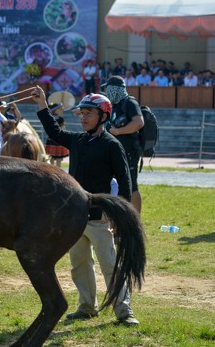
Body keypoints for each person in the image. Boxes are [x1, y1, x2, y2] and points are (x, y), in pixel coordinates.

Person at [31, 87, 139, 326]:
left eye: (88, 113)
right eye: (81, 113)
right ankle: (87, 307)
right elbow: (53, 131)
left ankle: (124, 311)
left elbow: (125, 181)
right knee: (79, 264)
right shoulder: (78, 140)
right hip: (74, 218)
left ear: (103, 115)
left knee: (110, 266)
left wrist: (120, 218)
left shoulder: (112, 145)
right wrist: (42, 105)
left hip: (100, 218)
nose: (82, 117)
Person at [102, 75, 144, 214]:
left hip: (130, 150)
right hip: (117, 150)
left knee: (132, 185)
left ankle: (135, 219)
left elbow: (139, 122)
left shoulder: (130, 103)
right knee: (117, 184)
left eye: (108, 89)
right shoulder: (116, 105)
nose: (106, 92)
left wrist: (118, 131)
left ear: (115, 89)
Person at [44, 102, 70, 167]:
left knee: (51, 157)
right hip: (58, 139)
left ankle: (52, 171)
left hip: (50, 139)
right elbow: (63, 128)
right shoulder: (60, 118)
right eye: (60, 109)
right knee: (58, 158)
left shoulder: (49, 118)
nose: (61, 110)